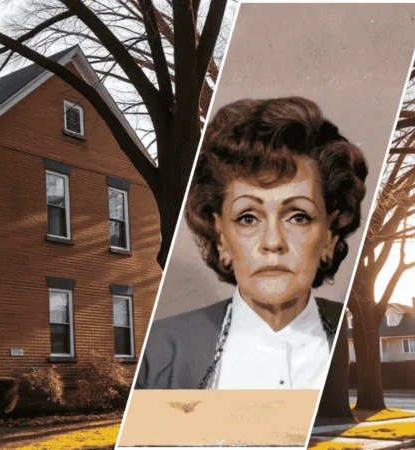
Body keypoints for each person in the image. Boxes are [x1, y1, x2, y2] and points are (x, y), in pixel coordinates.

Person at [137, 97, 367, 390]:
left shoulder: (343, 333)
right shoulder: (159, 355)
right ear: (221, 237)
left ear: (330, 237)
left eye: (298, 217)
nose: (272, 242)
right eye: (248, 218)